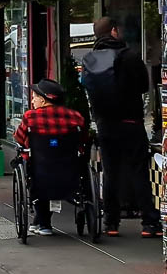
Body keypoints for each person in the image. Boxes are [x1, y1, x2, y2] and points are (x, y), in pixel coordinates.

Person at [82, 17, 160, 237]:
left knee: (110, 172)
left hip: (105, 124)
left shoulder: (89, 59)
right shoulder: (130, 57)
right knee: (138, 171)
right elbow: (145, 86)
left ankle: (111, 222)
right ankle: (149, 222)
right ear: (114, 31)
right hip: (131, 122)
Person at [12, 79, 86, 236]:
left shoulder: (31, 117)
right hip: (69, 170)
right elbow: (83, 139)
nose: (32, 101)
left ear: (43, 100)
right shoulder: (75, 117)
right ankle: (41, 221)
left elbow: (19, 138)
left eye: (34, 97)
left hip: (40, 168)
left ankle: (44, 223)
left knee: (36, 176)